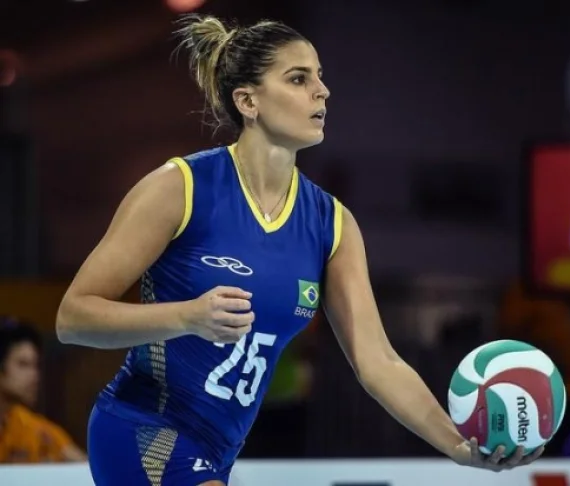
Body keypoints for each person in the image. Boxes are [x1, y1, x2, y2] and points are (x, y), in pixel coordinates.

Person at [55, 15, 542, 486]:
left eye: (320, 76)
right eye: (298, 78)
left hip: (218, 452)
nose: (322, 90)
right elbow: (73, 318)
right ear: (248, 101)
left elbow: (379, 362)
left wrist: (457, 446)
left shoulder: (332, 224)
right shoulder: (179, 188)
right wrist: (186, 316)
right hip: (142, 427)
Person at [0, 317, 86, 463]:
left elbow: (84, 467)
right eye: (23, 364)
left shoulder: (31, 428)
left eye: (36, 366)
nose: (34, 376)